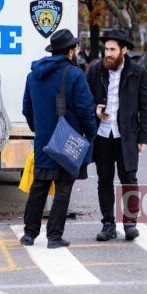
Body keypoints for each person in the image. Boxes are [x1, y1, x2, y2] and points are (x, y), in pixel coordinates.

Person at [20, 29, 97, 249]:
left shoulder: (33, 75)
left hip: (43, 140)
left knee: (39, 187)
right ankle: (54, 237)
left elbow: (27, 109)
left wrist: (39, 129)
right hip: (67, 140)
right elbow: (86, 110)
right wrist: (90, 133)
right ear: (70, 52)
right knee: (63, 188)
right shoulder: (74, 75)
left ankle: (29, 234)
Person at [86, 29, 147, 242]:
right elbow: (85, 101)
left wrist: (144, 137)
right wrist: (95, 111)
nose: (108, 53)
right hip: (102, 135)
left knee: (129, 179)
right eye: (106, 49)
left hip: (127, 136)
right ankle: (108, 224)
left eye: (112, 49)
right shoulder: (95, 71)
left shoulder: (138, 72)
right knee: (104, 180)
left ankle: (130, 223)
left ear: (124, 50)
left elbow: (146, 106)